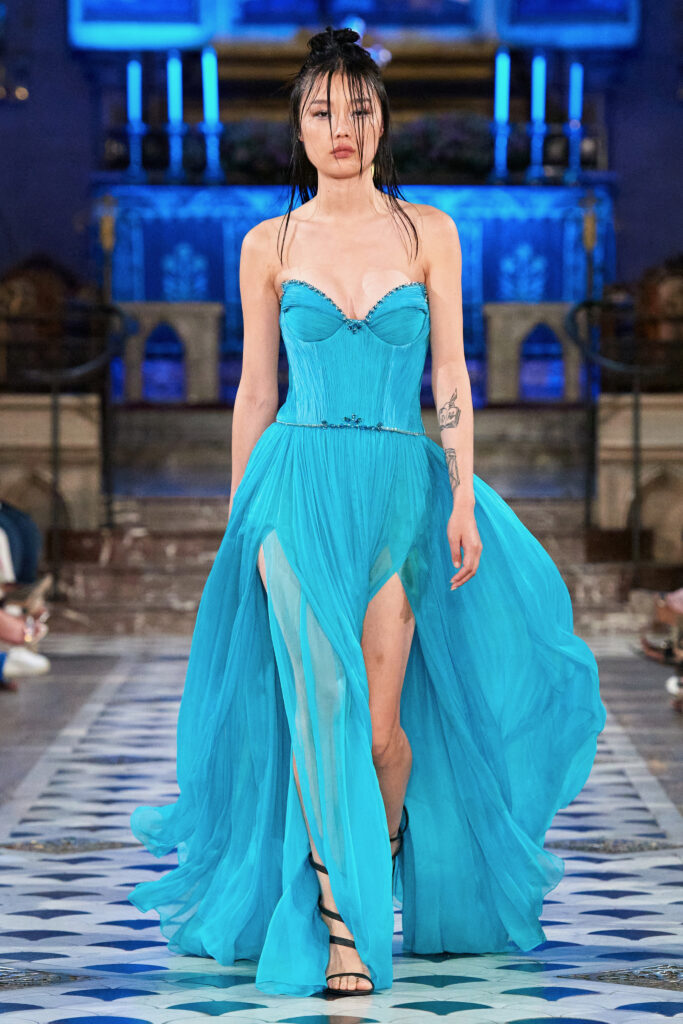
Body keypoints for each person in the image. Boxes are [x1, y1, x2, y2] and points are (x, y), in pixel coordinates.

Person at [128, 25, 607, 999]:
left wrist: (462, 491)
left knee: (382, 733)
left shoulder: (426, 232)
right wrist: (241, 516)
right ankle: (340, 926)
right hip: (294, 485)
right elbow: (254, 390)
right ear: (298, 130)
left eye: (357, 109)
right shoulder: (269, 244)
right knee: (322, 709)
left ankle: (375, 855)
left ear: (381, 122)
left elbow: (451, 374)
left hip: (396, 488)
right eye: (321, 111)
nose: (340, 127)